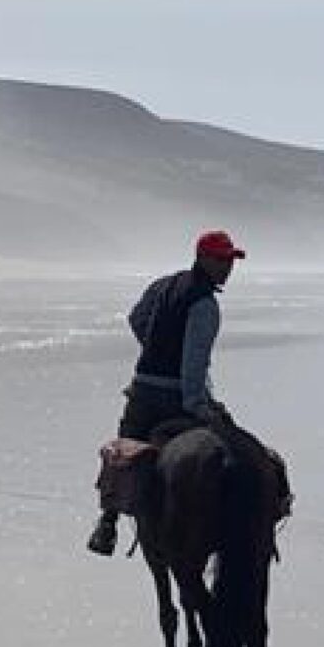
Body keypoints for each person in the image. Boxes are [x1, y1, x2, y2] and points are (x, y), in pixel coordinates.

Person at [86, 229, 246, 555]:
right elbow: (194, 364)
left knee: (124, 447)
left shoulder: (163, 286)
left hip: (143, 388)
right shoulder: (204, 304)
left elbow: (136, 318)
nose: (227, 267)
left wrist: (156, 345)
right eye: (221, 260)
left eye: (230, 261)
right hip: (176, 399)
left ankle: (107, 523)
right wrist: (198, 405)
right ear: (202, 258)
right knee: (232, 449)